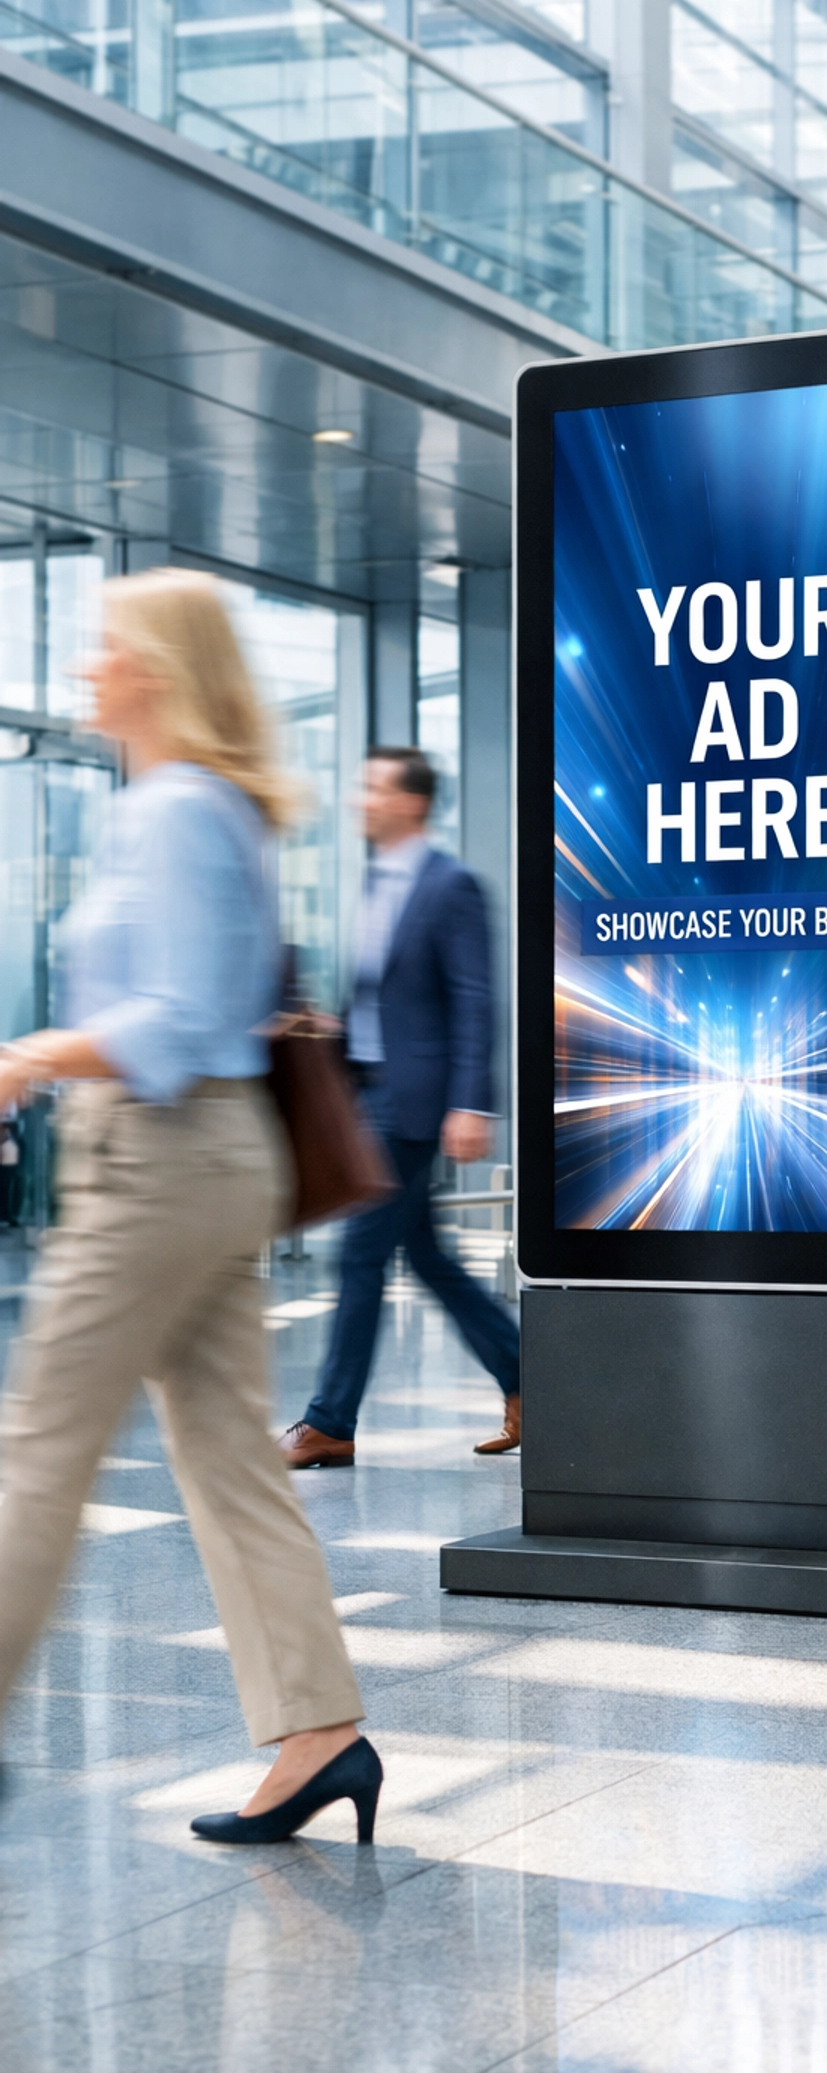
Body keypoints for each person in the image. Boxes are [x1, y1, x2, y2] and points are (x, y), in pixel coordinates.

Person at [0, 571, 380, 1844]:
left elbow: (166, 1023)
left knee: (43, 1443)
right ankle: (321, 1729)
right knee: (227, 1458)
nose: (83, 671)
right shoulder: (214, 807)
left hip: (157, 1160)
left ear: (156, 671)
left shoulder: (169, 810)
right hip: (216, 1160)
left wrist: (33, 1057)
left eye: (105, 649)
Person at [278, 748, 521, 1468]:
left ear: (412, 803)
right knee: (425, 1253)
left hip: (413, 1101)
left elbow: (475, 999)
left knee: (360, 1254)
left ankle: (330, 1422)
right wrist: (331, 1033)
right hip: (372, 1088)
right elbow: (382, 1000)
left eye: (374, 787)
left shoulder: (451, 886)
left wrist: (470, 1103)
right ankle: (527, 1376)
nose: (360, 798)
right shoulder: (374, 884)